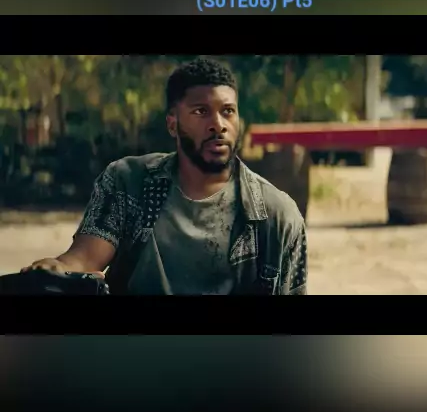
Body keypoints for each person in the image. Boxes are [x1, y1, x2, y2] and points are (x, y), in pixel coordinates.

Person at [22, 57, 307, 295]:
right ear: (172, 124)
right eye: (201, 111)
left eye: (228, 111)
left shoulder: (277, 217)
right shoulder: (129, 182)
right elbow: (84, 257)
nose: (218, 125)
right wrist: (58, 269)